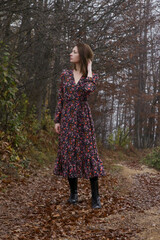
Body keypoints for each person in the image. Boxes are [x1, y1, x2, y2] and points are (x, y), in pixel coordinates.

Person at [54, 42, 106, 208]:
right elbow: (61, 98)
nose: (71, 54)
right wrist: (57, 119)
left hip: (83, 118)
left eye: (74, 52)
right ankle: (73, 194)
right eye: (71, 51)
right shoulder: (65, 75)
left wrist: (89, 70)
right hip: (68, 117)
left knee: (89, 153)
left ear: (82, 56)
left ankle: (95, 197)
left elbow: (88, 90)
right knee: (69, 153)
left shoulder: (90, 77)